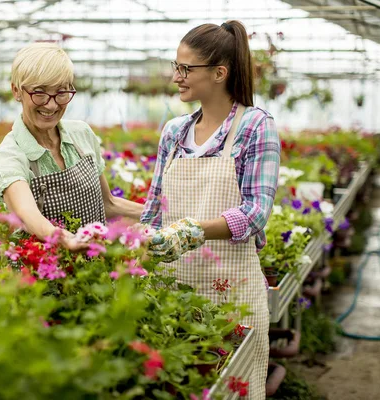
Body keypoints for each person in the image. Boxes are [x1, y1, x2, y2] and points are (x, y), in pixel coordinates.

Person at [142, 21, 280, 400]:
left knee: (233, 387)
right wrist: (137, 243)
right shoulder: (173, 132)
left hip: (231, 293)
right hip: (172, 292)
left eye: (186, 69)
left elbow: (255, 213)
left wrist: (192, 231)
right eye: (176, 66)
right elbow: (155, 208)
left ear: (219, 73)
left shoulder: (255, 127)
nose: (176, 77)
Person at [0, 42, 144, 251]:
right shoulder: (10, 155)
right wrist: (65, 239)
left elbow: (107, 204)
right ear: (17, 91)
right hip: (45, 275)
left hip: (95, 270)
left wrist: (158, 214)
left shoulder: (82, 134)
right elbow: (28, 213)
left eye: (61, 92)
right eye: (39, 92)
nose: (51, 104)